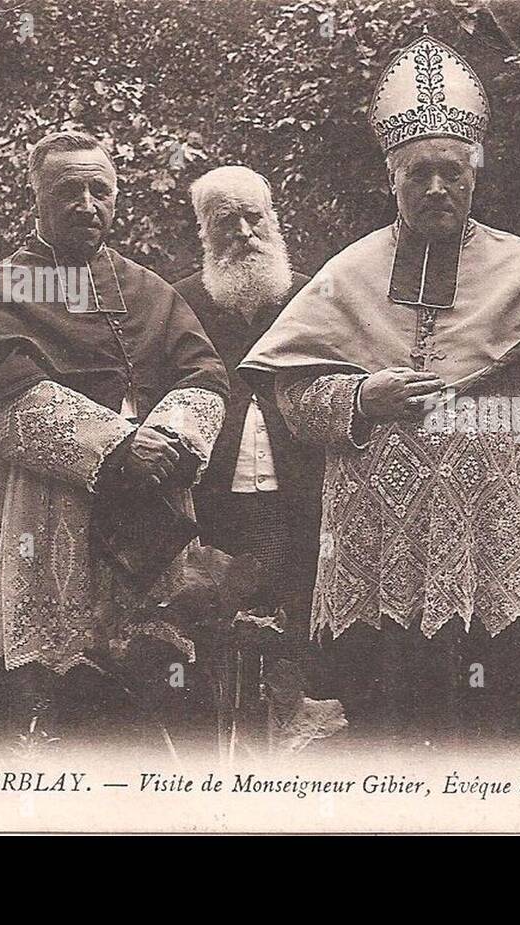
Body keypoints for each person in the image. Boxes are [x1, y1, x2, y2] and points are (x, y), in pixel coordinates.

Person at [239, 33, 520, 746]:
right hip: (384, 544)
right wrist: (360, 399)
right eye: (419, 174)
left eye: (451, 171)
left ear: (474, 175)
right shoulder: (347, 274)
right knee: (391, 723)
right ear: (393, 179)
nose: (437, 187)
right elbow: (291, 401)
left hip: (492, 536)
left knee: (501, 722)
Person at [0, 130, 229, 756]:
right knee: (26, 696)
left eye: (100, 190)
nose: (87, 204)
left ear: (116, 198)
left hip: (142, 516)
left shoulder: (146, 289)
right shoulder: (4, 288)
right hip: (43, 515)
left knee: (133, 698)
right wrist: (115, 447)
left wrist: (169, 438)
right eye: (68, 191)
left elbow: (204, 375)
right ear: (36, 199)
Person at [173, 165, 329, 742]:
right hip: (213, 501)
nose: (242, 232)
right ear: (203, 233)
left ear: (274, 220)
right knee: (212, 632)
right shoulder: (179, 302)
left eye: (253, 217)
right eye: (224, 222)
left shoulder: (314, 295)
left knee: (296, 635)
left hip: (300, 499)